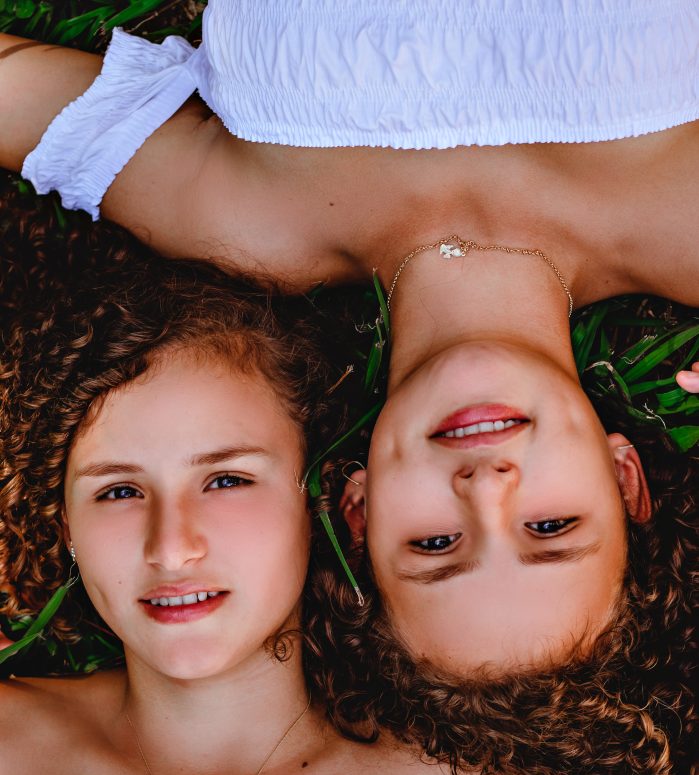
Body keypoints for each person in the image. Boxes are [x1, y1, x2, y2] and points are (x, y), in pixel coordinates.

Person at [0, 210, 697, 775]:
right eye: (118, 491)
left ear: (323, 505)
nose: (173, 547)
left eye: (228, 481)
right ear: (65, 526)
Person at [1, 4, 697, 683]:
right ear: (623, 478)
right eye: (550, 526)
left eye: (435, 543)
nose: (485, 487)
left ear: (360, 509)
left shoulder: (244, 225)